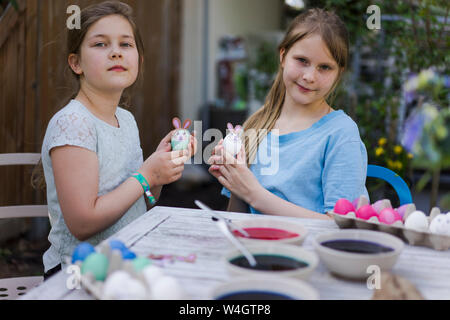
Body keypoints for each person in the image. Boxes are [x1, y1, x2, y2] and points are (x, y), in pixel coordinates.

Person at [38, 1, 196, 279]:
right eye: (100, 44)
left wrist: (156, 176)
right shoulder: (74, 123)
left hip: (124, 262)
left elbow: (141, 203)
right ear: (76, 63)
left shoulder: (126, 119)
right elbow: (83, 222)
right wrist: (146, 174)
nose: (115, 53)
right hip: (76, 274)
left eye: (126, 45)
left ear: (139, 60)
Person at [208, 8, 369, 220]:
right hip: (255, 249)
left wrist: (255, 194)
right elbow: (237, 219)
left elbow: (340, 225)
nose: (310, 76)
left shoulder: (341, 134)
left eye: (324, 67)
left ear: (339, 73)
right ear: (283, 56)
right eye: (302, 60)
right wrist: (235, 181)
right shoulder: (256, 125)